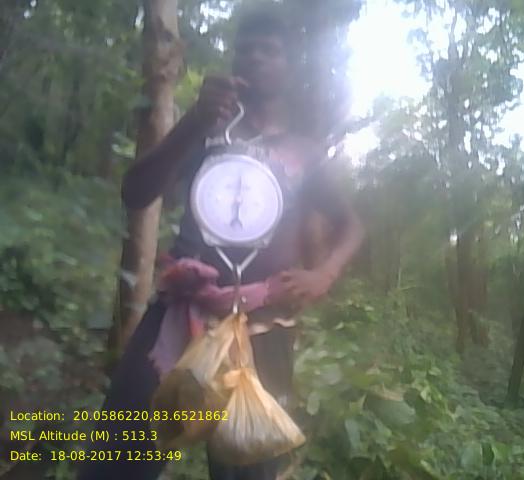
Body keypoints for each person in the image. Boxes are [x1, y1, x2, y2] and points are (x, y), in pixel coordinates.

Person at [76, 5, 364, 480]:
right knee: (118, 458)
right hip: (181, 315)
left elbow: (351, 225)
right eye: (245, 50)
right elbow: (136, 193)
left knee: (248, 464)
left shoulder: (305, 153)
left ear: (289, 67)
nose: (255, 57)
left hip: (263, 329)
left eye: (269, 51)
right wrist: (193, 120)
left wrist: (323, 274)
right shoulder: (205, 131)